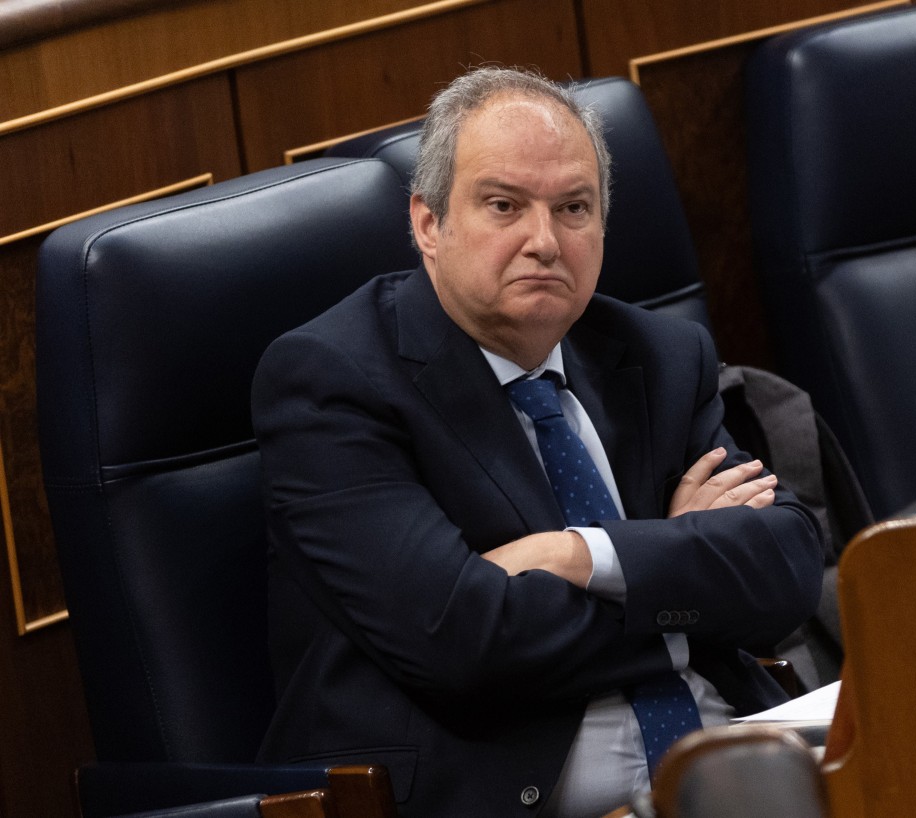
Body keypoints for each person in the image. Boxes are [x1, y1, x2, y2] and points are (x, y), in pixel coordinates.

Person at [251, 66, 824, 817]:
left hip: (730, 775)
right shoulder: (333, 381)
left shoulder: (655, 354)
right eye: (503, 205)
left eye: (574, 208)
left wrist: (580, 554)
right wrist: (677, 566)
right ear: (428, 224)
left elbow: (784, 567)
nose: (545, 241)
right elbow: (466, 641)